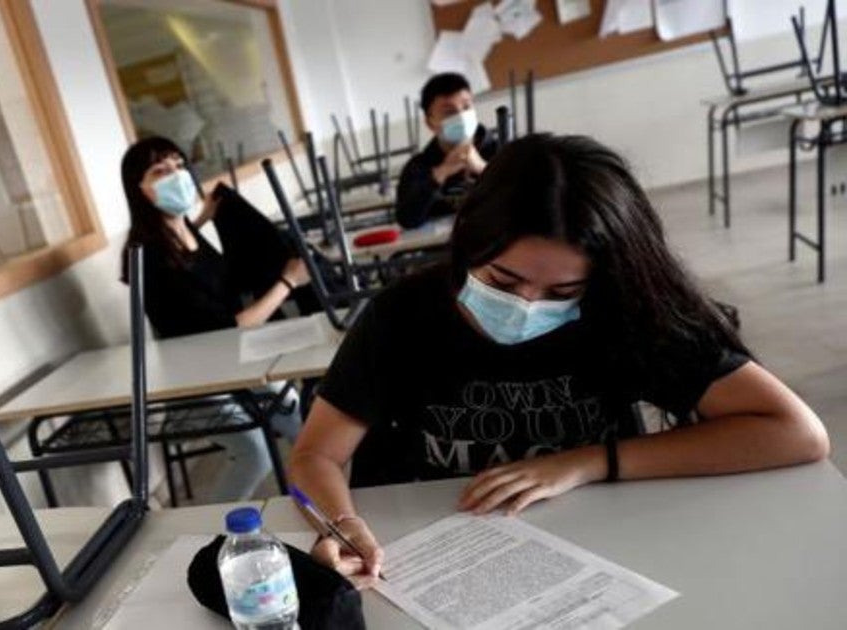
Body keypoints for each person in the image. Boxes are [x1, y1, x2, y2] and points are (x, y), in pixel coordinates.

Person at [289, 134, 829, 586]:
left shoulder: (622, 309)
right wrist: (341, 523)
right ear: (469, 240)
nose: (526, 306)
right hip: (436, 557)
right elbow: (316, 455)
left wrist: (588, 461)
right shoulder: (403, 316)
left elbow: (796, 432)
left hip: (602, 554)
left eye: (561, 291)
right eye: (503, 280)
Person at [120, 136, 309, 502]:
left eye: (178, 165)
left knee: (294, 412)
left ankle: (312, 502)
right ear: (138, 189)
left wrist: (204, 218)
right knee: (254, 455)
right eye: (160, 171)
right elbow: (232, 326)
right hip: (194, 381)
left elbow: (206, 279)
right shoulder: (147, 253)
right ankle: (211, 533)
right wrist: (288, 281)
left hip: (229, 362)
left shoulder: (183, 230)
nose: (175, 175)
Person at [395, 72, 499, 230]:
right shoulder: (418, 167)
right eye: (449, 112)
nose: (461, 116)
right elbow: (407, 220)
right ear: (430, 122)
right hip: (445, 250)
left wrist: (483, 168)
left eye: (466, 107)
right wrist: (440, 173)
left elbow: (529, 198)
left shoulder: (501, 150)